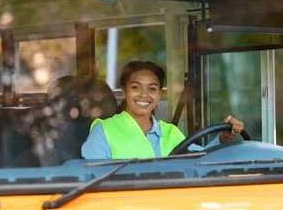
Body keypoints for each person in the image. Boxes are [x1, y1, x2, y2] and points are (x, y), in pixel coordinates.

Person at [81, 60, 244, 159]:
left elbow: (202, 161)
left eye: (152, 89)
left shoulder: (170, 133)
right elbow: (93, 180)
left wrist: (224, 137)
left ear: (160, 94)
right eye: (136, 87)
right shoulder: (103, 131)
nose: (144, 95)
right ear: (124, 91)